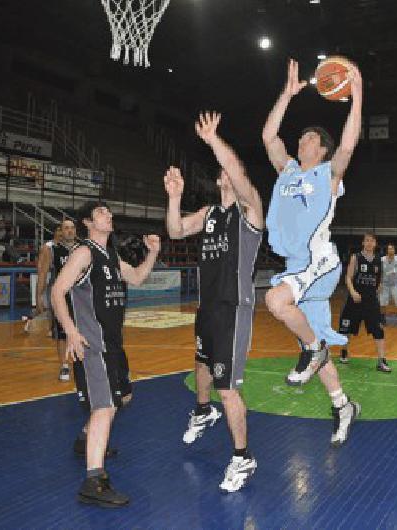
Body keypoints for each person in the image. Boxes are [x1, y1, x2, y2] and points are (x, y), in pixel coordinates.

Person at [262, 58, 362, 446]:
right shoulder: (287, 172)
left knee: (275, 299)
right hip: (298, 265)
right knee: (316, 344)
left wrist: (357, 96)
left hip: (320, 262)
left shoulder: (327, 176)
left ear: (321, 151)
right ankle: (342, 405)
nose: (300, 141)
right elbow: (269, 137)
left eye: (308, 139)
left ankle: (312, 349)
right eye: (300, 138)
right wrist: (286, 95)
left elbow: (350, 143)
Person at [165, 111, 263, 493]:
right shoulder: (208, 214)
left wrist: (214, 140)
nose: (224, 172)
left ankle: (243, 457)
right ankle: (202, 412)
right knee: (201, 362)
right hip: (207, 308)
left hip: (233, 309)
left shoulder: (250, 209)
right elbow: (175, 230)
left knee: (228, 388)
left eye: (227, 168)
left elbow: (237, 172)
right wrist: (174, 198)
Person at [51, 201, 160, 507]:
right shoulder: (83, 253)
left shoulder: (110, 255)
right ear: (87, 222)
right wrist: (71, 332)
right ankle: (93, 481)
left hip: (113, 344)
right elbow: (57, 291)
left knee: (120, 398)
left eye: (109, 212)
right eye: (101, 213)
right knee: (106, 407)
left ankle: (85, 439)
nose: (109, 215)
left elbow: (137, 278)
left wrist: (152, 253)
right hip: (92, 344)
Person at [338, 233, 392, 372]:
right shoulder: (356, 257)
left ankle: (381, 360)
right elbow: (348, 278)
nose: (369, 243)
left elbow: (379, 280)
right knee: (346, 329)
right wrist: (353, 292)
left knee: (378, 330)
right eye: (367, 240)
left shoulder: (379, 260)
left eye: (372, 241)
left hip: (370, 301)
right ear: (363, 243)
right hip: (355, 299)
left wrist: (376, 292)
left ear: (375, 244)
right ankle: (344, 351)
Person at [35, 219, 78, 381]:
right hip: (61, 297)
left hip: (80, 297)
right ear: (61, 231)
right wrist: (38, 297)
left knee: (81, 331)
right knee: (62, 334)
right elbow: (43, 274)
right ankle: (64, 365)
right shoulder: (51, 249)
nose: (69, 231)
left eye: (72, 228)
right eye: (66, 228)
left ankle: (80, 363)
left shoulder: (82, 248)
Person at [380, 242, 397, 328]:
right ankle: (383, 319)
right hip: (385, 284)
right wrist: (379, 283)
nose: (391, 250)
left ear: (394, 250)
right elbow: (379, 273)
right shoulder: (382, 260)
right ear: (387, 250)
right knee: (383, 303)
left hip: (396, 284)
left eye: (392, 248)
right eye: (389, 249)